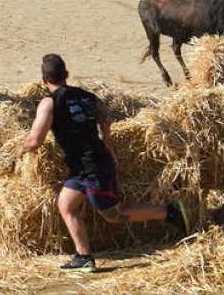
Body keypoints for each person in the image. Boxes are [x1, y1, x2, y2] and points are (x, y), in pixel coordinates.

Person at [20, 54, 190, 273]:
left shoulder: (49, 103)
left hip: (92, 168)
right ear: (67, 75)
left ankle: (170, 212)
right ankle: (84, 257)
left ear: (44, 80)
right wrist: (102, 137)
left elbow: (35, 140)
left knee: (114, 215)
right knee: (66, 205)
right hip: (84, 167)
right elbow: (104, 121)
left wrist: (22, 149)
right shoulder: (88, 97)